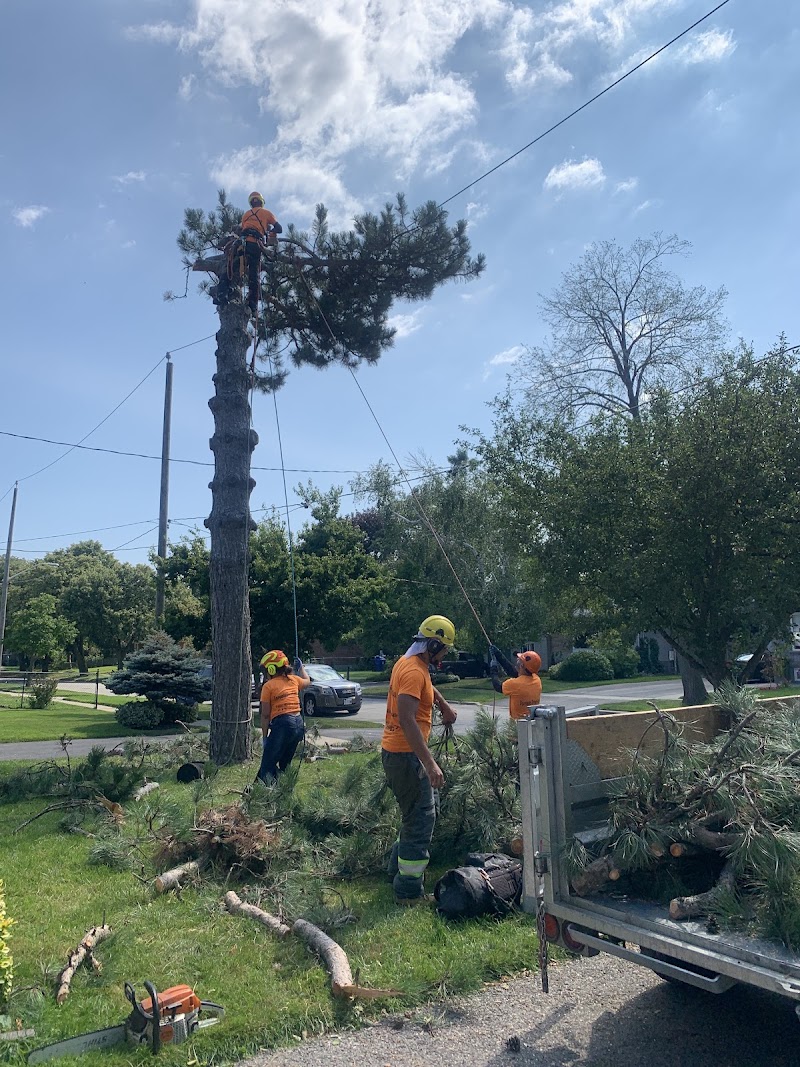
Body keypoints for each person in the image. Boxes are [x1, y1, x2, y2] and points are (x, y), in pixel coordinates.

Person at [382, 615, 458, 905]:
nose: (444, 655)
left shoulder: (410, 663)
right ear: (433, 645)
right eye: (444, 649)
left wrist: (443, 704)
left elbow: (425, 686)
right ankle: (408, 891)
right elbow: (407, 719)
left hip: (400, 754)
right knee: (420, 820)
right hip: (407, 757)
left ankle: (395, 870)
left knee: (415, 814)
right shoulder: (414, 671)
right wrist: (430, 763)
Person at [256, 649, 309, 784]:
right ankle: (285, 789)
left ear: (271, 669)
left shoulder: (268, 686)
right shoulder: (294, 679)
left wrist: (265, 737)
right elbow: (307, 681)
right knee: (285, 763)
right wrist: (301, 668)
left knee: (267, 764)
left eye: (266, 670)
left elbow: (265, 715)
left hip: (283, 724)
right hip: (298, 724)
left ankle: (266, 791)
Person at [238, 191, 282, 314]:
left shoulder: (246, 214)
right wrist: (270, 233)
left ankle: (224, 291)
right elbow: (279, 228)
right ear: (261, 201)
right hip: (255, 244)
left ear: (251, 202)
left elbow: (243, 229)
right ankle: (252, 304)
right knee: (254, 274)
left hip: (242, 244)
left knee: (236, 267)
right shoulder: (266, 213)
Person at [488, 645, 542, 720]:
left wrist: (493, 669)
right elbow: (513, 671)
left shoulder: (515, 684)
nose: (517, 660)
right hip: (532, 721)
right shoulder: (537, 680)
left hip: (518, 723)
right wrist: (498, 655)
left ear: (522, 665)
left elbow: (497, 686)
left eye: (520, 660)